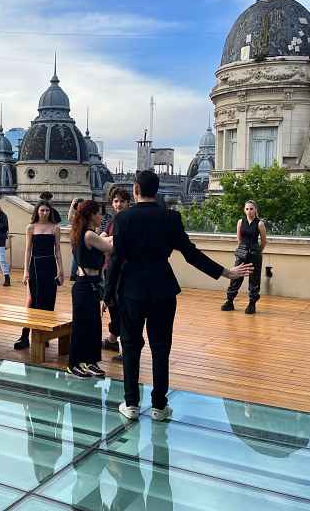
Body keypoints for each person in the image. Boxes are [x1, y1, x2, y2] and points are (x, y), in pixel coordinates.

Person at [109, 170, 252, 421]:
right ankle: (159, 406)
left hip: (131, 289)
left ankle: (131, 404)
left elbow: (116, 260)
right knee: (160, 347)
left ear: (135, 190)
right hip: (163, 288)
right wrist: (225, 273)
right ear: (157, 191)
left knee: (130, 346)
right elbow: (191, 254)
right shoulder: (171, 218)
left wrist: (107, 294)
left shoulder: (123, 219)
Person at [67, 200, 113, 378]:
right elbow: (109, 246)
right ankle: (74, 363)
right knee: (81, 326)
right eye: (98, 213)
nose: (101, 216)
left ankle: (90, 361)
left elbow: (104, 240)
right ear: (90, 215)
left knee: (93, 325)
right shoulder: (88, 235)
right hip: (85, 285)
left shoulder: (85, 233)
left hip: (90, 283)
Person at [16, 197, 63, 350]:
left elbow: (57, 250)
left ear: (50, 212)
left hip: (50, 266)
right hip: (35, 265)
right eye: (42, 210)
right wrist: (25, 271)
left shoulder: (55, 228)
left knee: (49, 300)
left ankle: (44, 335)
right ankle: (25, 336)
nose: (44, 212)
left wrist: (61, 270)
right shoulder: (31, 227)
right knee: (33, 300)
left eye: (47, 210)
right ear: (37, 211)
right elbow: (28, 250)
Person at [222, 200, 267, 315]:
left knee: (254, 278)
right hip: (242, 253)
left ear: (255, 210)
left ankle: (252, 304)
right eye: (247, 209)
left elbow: (263, 241)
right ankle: (229, 301)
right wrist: (242, 250)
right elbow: (239, 239)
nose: (249, 211)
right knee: (236, 276)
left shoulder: (260, 223)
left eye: (251, 209)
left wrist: (257, 252)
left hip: (254, 254)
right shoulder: (240, 222)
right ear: (244, 210)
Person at [102, 188, 131, 352]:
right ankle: (113, 339)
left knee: (121, 306)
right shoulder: (113, 220)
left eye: (121, 201)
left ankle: (120, 343)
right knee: (112, 304)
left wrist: (109, 240)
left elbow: (110, 241)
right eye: (115, 201)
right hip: (109, 266)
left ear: (128, 203)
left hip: (122, 269)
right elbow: (103, 237)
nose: (118, 204)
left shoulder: (128, 220)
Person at [67, 198, 83, 282]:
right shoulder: (76, 217)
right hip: (77, 240)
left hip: (82, 239)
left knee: (77, 258)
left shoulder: (85, 216)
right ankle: (73, 275)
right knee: (76, 258)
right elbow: (69, 218)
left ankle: (75, 275)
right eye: (78, 205)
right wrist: (72, 204)